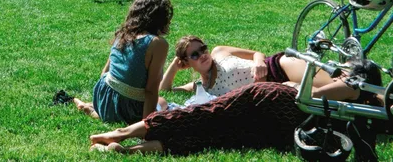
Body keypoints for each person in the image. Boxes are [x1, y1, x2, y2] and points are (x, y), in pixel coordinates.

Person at [89, 60, 382, 155]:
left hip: (270, 101)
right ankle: (128, 150)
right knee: (215, 137)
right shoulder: (369, 109)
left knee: (204, 115)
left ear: (357, 76)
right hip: (283, 126)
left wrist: (295, 85)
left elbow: (310, 95)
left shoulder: (353, 86)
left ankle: (122, 134)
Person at [73, 0, 172, 123]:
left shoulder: (124, 34)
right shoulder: (157, 43)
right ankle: (98, 112)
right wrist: (147, 125)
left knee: (124, 105)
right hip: (127, 106)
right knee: (162, 102)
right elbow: (151, 89)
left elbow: (105, 72)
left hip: (104, 95)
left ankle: (96, 110)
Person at [159, 36, 334, 97]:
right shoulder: (201, 87)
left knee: (333, 81)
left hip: (278, 68)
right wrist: (174, 66)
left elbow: (256, 54)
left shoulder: (219, 51)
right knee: (331, 97)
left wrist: (258, 63)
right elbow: (165, 90)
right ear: (187, 63)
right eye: (194, 55)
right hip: (276, 91)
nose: (202, 55)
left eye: (202, 49)